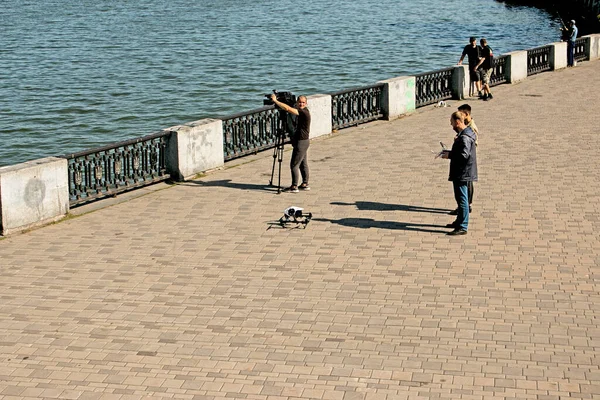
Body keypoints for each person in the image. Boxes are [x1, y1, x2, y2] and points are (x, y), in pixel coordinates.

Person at [440, 111, 478, 235]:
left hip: (462, 173)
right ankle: (459, 221)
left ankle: (463, 226)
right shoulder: (465, 134)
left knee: (462, 199)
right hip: (463, 172)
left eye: (452, 123)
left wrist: (449, 155)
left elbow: (464, 155)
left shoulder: (464, 137)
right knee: (460, 198)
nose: (451, 126)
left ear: (457, 122)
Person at [270, 94, 311, 193]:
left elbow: (288, 109)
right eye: (299, 102)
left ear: (306, 103)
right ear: (297, 102)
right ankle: (305, 183)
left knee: (294, 165)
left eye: (303, 102)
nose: (301, 104)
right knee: (303, 163)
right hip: (304, 141)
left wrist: (276, 101)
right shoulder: (305, 111)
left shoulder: (303, 112)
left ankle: (294, 186)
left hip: (301, 142)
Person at [449, 104, 479, 216]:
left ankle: (463, 220)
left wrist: (451, 154)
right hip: (466, 168)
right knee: (462, 195)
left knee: (464, 195)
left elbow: (465, 153)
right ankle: (462, 215)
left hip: (465, 169)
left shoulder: (469, 131)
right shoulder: (465, 131)